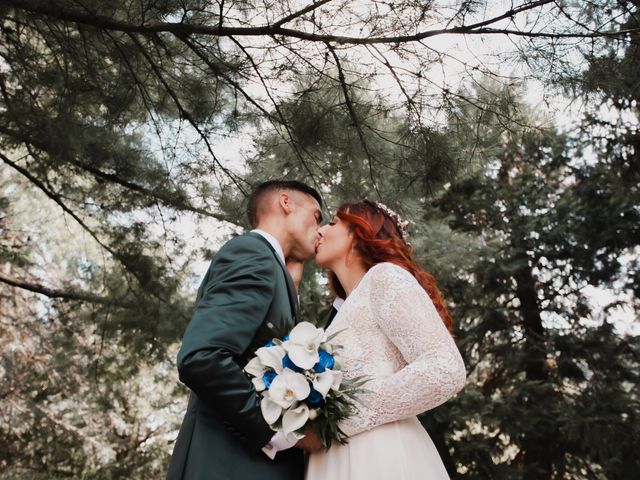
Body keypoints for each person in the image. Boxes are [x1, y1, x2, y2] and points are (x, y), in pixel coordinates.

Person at [166, 180, 324, 480]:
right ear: (286, 202)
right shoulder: (252, 253)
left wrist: (291, 289)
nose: (320, 230)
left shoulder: (272, 268)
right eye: (316, 216)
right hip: (229, 465)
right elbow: (202, 357)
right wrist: (281, 432)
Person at [307, 199, 467, 480]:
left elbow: (445, 368)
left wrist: (336, 423)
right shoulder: (340, 311)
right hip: (332, 459)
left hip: (380, 453)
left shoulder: (385, 277)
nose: (319, 231)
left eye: (332, 222)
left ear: (358, 232)